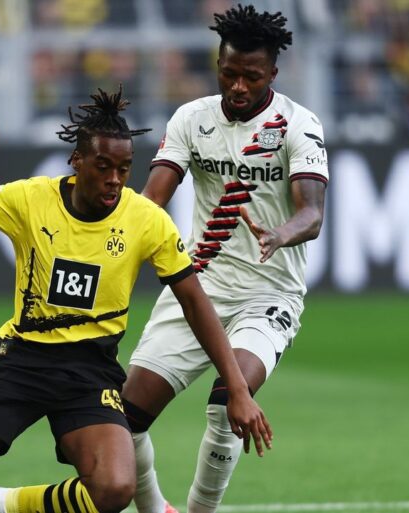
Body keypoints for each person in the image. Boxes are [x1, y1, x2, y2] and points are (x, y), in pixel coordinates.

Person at [0, 86, 271, 513]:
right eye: (103, 166)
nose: (114, 179)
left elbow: (194, 301)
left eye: (124, 168)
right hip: (22, 362)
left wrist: (237, 387)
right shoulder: (30, 198)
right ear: (77, 161)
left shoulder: (146, 219)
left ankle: (0, 505)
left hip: (90, 372)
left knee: (114, 489)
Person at [121, 6, 328, 513]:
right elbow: (152, 200)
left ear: (272, 73)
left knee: (225, 403)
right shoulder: (192, 119)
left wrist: (279, 234)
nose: (238, 86)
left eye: (251, 76)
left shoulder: (298, 124)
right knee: (123, 421)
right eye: (229, 73)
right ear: (217, 65)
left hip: (268, 295)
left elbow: (312, 214)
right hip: (198, 291)